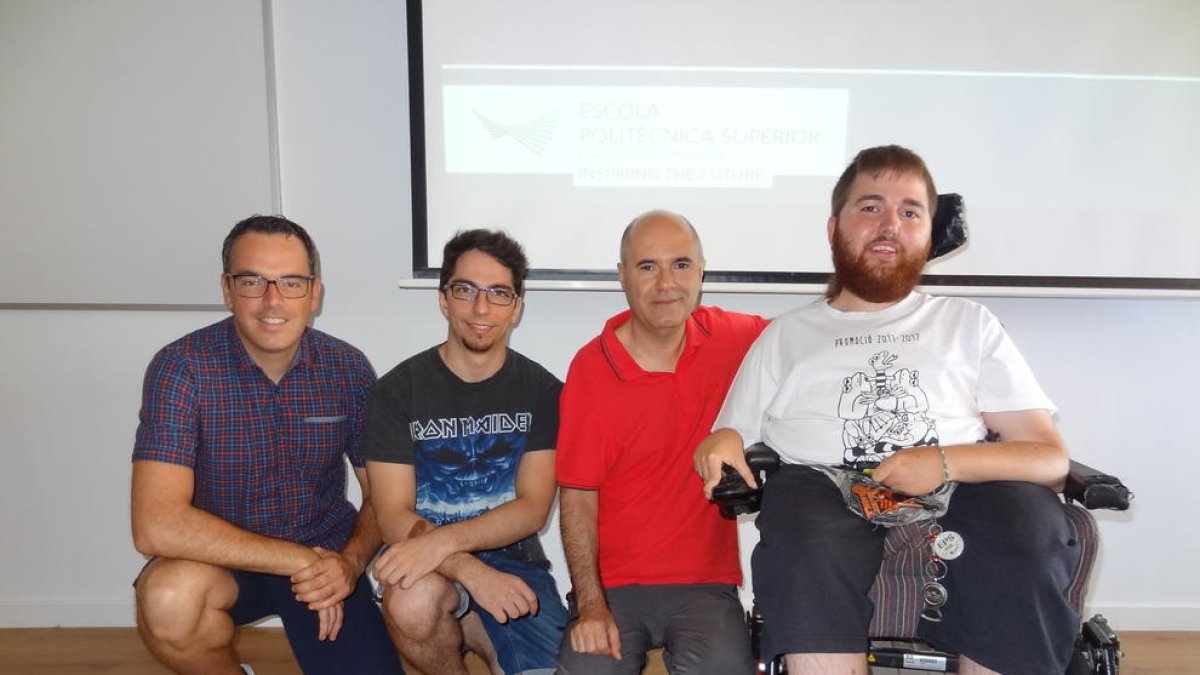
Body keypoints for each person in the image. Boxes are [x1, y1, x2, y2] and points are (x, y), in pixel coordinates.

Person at [695, 145, 1081, 675]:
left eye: (910, 211)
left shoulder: (968, 324)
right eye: (871, 206)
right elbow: (730, 437)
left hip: (961, 484)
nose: (890, 225)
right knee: (802, 534)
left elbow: (1048, 459)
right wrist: (721, 440)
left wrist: (941, 462)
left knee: (1026, 526)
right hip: (822, 489)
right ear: (834, 229)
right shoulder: (786, 335)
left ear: (928, 233)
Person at [131, 215, 402, 675]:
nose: (272, 300)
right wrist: (296, 559)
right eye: (253, 281)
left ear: (314, 294)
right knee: (168, 599)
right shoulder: (182, 368)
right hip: (225, 560)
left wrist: (351, 563)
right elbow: (155, 525)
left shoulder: (348, 368)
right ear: (227, 289)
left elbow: (384, 494)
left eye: (291, 282)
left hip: (327, 560)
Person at [555, 211, 768, 675]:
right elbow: (577, 498)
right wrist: (590, 605)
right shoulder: (592, 369)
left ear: (702, 271)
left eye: (681, 265)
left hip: (704, 584)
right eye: (648, 266)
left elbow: (810, 341)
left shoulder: (735, 337)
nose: (667, 283)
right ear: (622, 275)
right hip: (612, 587)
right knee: (588, 670)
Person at [363, 229, 567, 675]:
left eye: (498, 293)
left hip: (513, 561)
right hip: (425, 563)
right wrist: (468, 569)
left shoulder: (544, 392)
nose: (481, 308)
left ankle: (480, 632)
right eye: (465, 290)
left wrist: (448, 543)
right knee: (412, 602)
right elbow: (392, 513)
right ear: (443, 300)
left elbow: (533, 508)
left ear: (516, 307)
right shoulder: (396, 392)